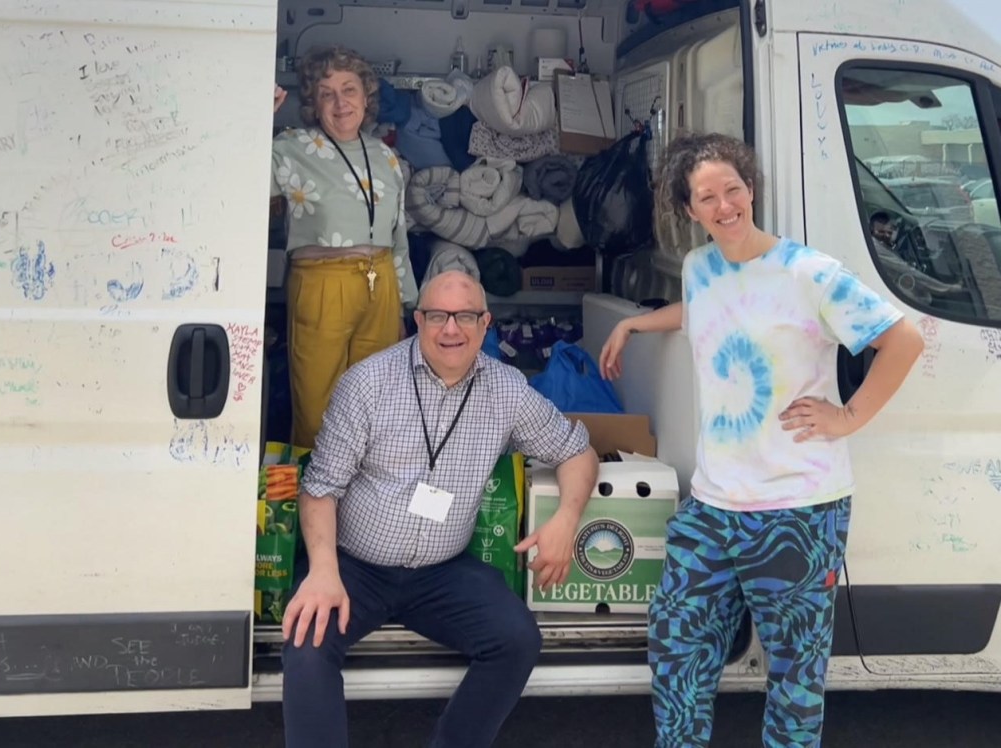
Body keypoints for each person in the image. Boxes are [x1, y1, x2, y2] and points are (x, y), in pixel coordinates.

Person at [599, 133, 924, 747]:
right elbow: (702, 310)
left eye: (733, 189)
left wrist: (847, 417)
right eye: (707, 197)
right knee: (676, 647)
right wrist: (637, 322)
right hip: (714, 505)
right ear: (689, 209)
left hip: (797, 510)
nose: (724, 206)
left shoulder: (809, 273)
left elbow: (902, 341)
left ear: (751, 190)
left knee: (795, 679)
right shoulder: (699, 267)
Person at [281, 270, 600, 748]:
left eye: (465, 316)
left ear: (486, 323)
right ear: (418, 320)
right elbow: (320, 487)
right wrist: (323, 570)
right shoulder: (368, 383)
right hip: (354, 567)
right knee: (306, 643)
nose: (451, 329)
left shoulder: (507, 389)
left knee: (517, 639)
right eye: (438, 316)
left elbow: (577, 452)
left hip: (440, 572)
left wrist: (566, 520)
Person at [272, 46, 419, 449]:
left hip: (381, 283)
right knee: (317, 407)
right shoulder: (291, 148)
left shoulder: (385, 156)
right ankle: (316, 488)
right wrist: (255, 120)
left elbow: (399, 237)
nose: (340, 103)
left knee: (379, 406)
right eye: (327, 93)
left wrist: (405, 306)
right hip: (322, 284)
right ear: (313, 103)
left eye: (349, 89)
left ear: (366, 96)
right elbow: (239, 181)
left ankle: (368, 491)